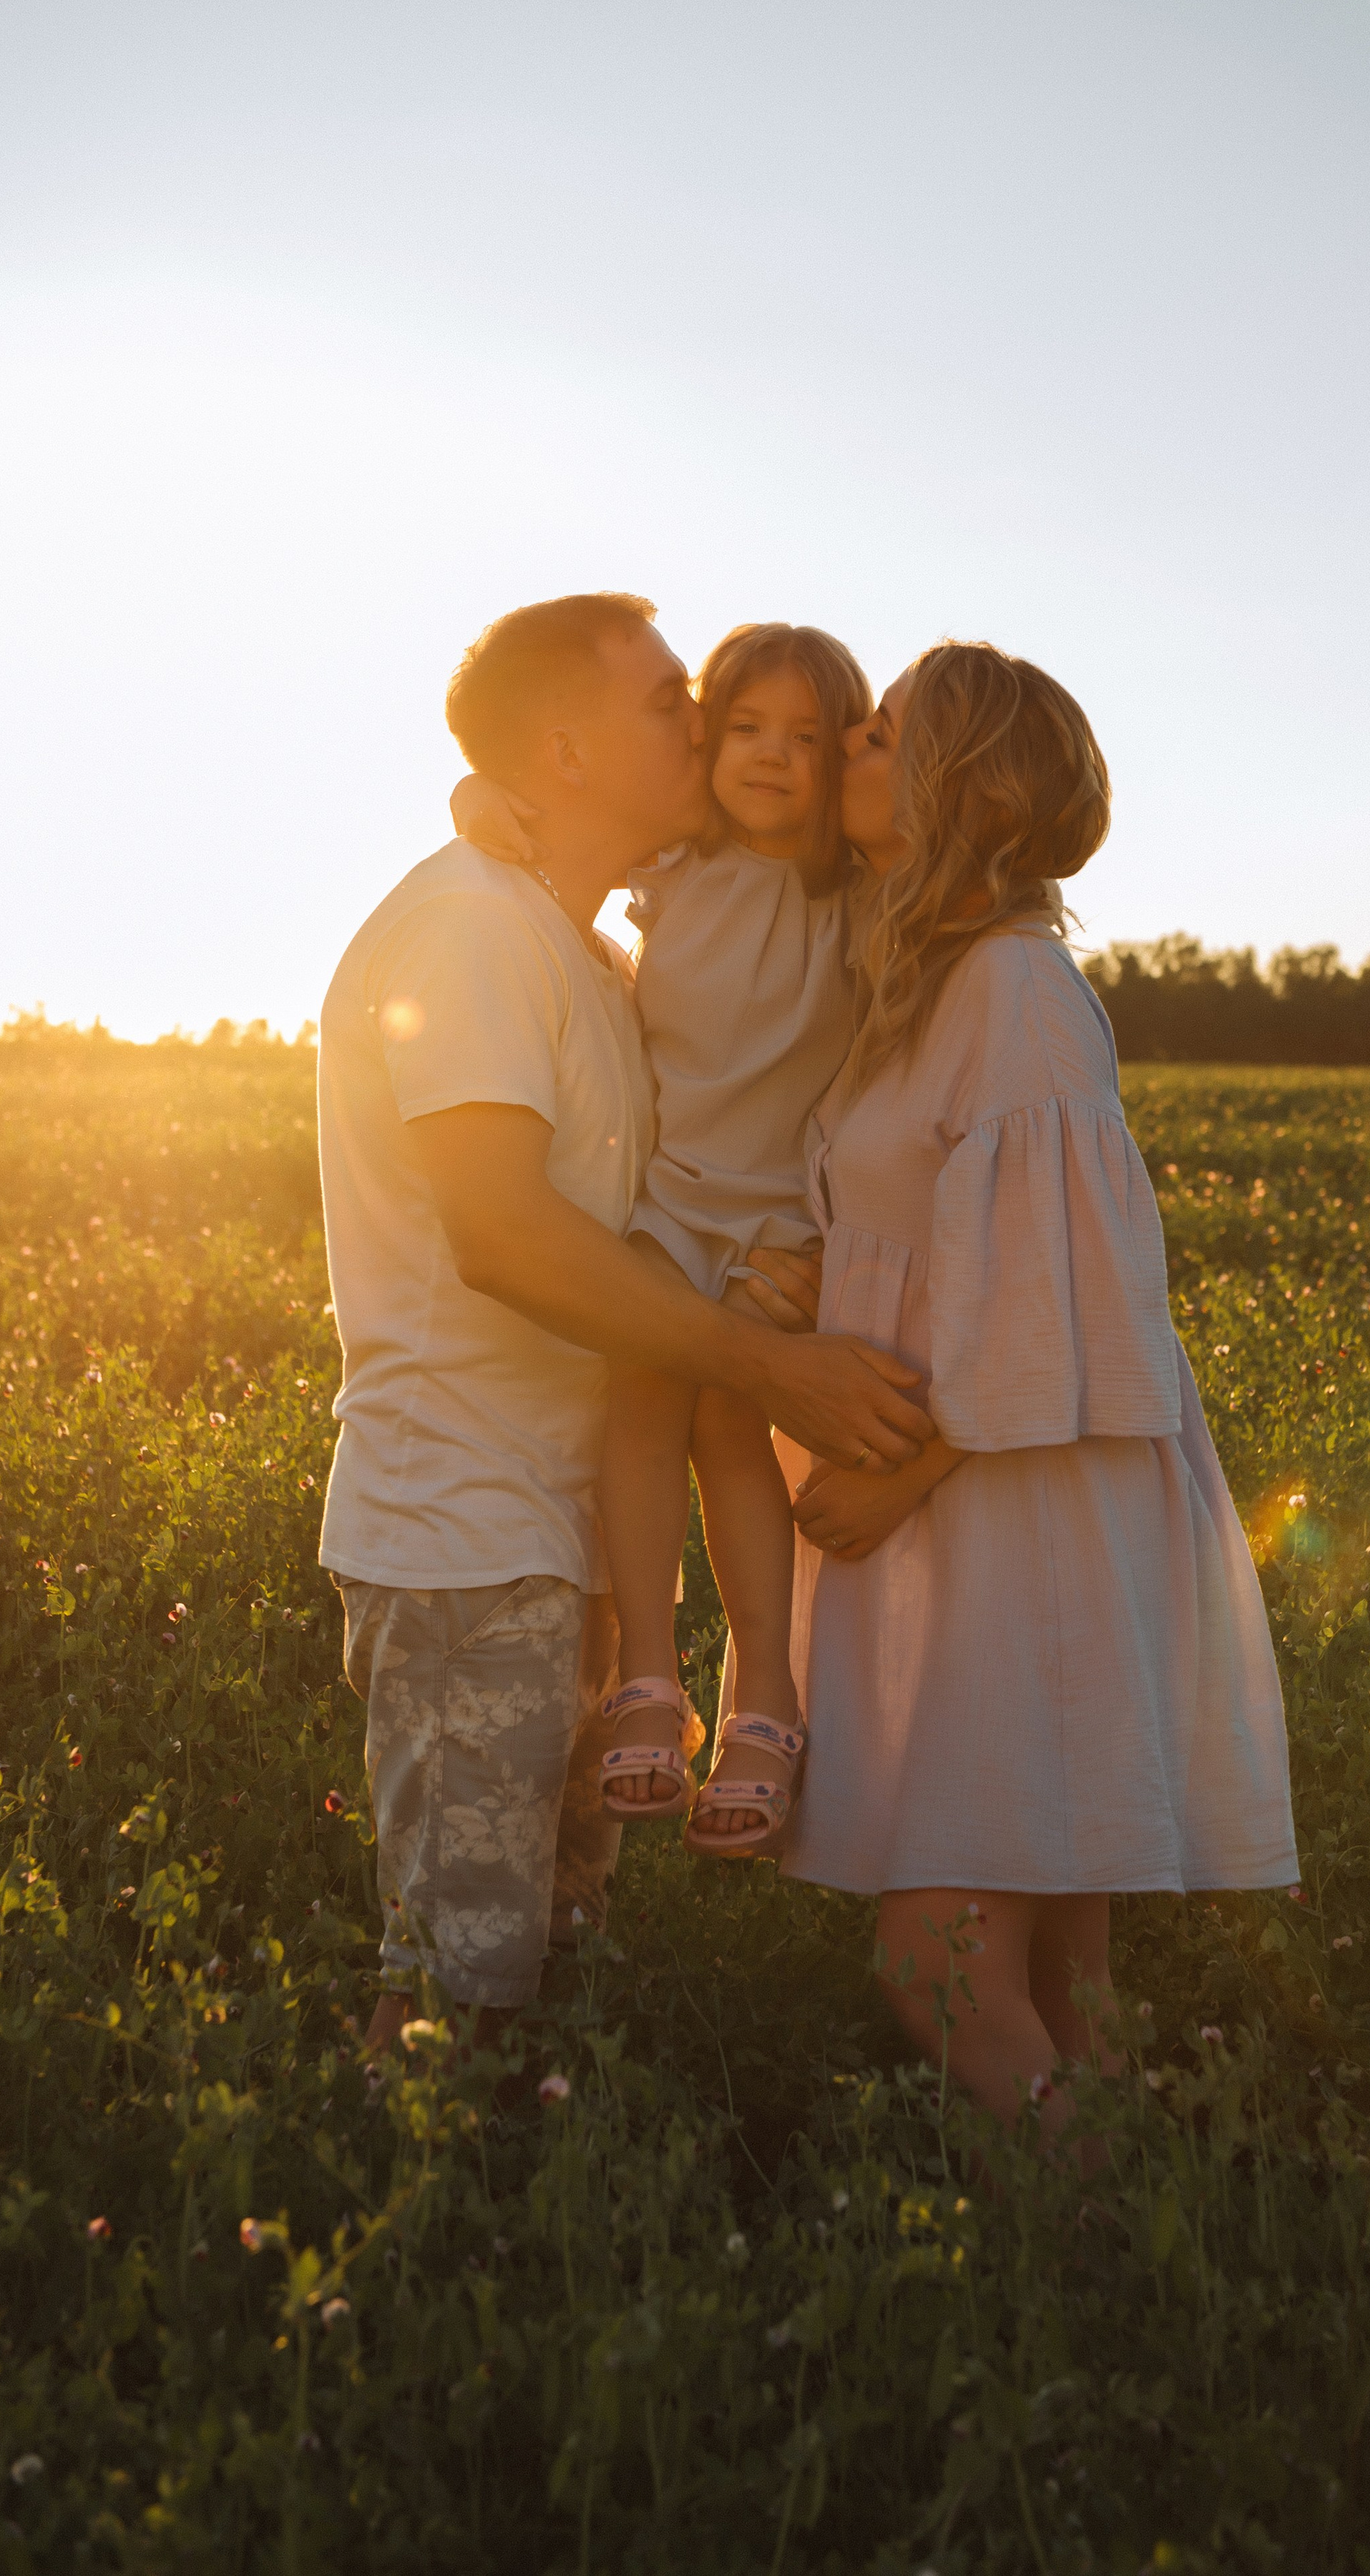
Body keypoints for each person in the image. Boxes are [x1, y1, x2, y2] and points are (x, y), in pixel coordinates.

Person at [315, 592, 933, 2055]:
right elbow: (505, 1235)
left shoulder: (584, 948)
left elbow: (702, 1163)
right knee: (461, 1971)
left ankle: (534, 2249)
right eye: (672, 700)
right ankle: (392, 2252)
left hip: (568, 1521)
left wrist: (778, 1265)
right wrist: (761, 1360)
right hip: (466, 1532)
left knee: (547, 1946)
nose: (706, 724)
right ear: (568, 746)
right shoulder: (470, 933)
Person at [780, 641, 1300, 2145]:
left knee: (933, 1962)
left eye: (876, 735)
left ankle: (1096, 2257)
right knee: (1066, 1985)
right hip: (979, 1497)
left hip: (1016, 1507)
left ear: (952, 782)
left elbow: (1057, 1292)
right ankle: (1148, 2265)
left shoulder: (1015, 990)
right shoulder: (935, 981)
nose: (844, 752)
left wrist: (894, 1470)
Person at [451, 623, 871, 1856]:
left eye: (805, 738)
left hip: (780, 1219)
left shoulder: (858, 885)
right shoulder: (681, 861)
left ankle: (765, 1707)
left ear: (842, 758)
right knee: (639, 1397)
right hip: (673, 1196)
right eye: (742, 728)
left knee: (732, 1423)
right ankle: (648, 1681)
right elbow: (510, 792)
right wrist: (477, 792)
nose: (771, 757)